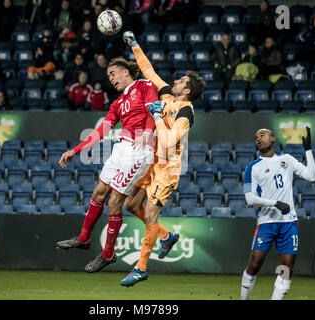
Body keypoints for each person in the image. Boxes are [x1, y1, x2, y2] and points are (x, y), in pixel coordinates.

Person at [56, 57, 171, 273]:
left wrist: (147, 132)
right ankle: (84, 238)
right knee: (99, 192)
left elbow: (152, 109)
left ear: (125, 72)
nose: (110, 79)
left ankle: (108, 254)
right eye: (108, 77)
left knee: (115, 201)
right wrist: (75, 150)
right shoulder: (117, 103)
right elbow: (101, 131)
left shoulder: (144, 85)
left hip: (139, 150)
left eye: (113, 74)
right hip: (121, 149)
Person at [120, 31, 206, 286]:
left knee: (150, 217)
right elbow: (149, 72)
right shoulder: (167, 95)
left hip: (167, 169)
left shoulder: (186, 113)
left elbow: (170, 141)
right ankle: (167, 237)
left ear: (187, 90)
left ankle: (141, 268)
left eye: (181, 80)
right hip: (152, 162)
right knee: (130, 205)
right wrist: (135, 46)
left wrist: (156, 116)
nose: (175, 81)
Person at [240, 127, 315, 300]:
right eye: (255, 137)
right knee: (254, 266)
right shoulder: (252, 167)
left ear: (273, 138)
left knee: (286, 268)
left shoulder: (287, 160)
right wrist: (275, 203)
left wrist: (308, 150)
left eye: (262, 135)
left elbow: (312, 176)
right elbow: (250, 199)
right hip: (266, 222)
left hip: (289, 223)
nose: (258, 139)